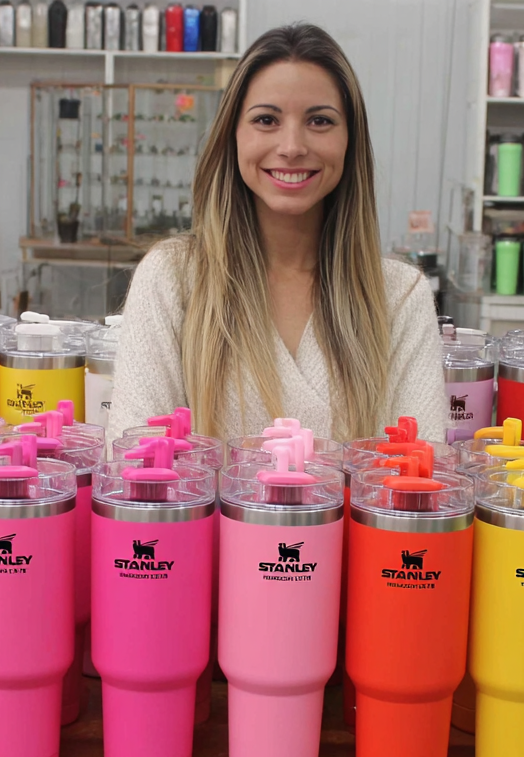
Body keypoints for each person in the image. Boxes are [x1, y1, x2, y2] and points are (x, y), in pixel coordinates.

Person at [107, 23, 447, 445]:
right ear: (232, 136)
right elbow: (133, 473)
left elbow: (420, 485)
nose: (291, 146)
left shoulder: (398, 296)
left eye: (319, 121)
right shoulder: (172, 278)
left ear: (349, 141)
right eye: (266, 119)